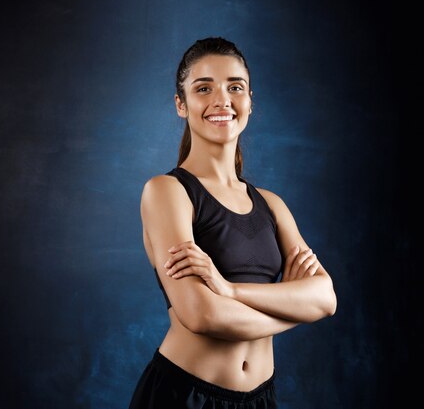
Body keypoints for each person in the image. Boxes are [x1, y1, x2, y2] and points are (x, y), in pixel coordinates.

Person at [128, 37, 337, 409]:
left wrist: (229, 290)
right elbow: (202, 314)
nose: (222, 100)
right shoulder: (167, 191)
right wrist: (293, 311)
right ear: (182, 104)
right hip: (183, 396)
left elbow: (325, 297)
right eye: (203, 88)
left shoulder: (271, 204)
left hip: (260, 398)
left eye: (234, 87)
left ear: (250, 101)